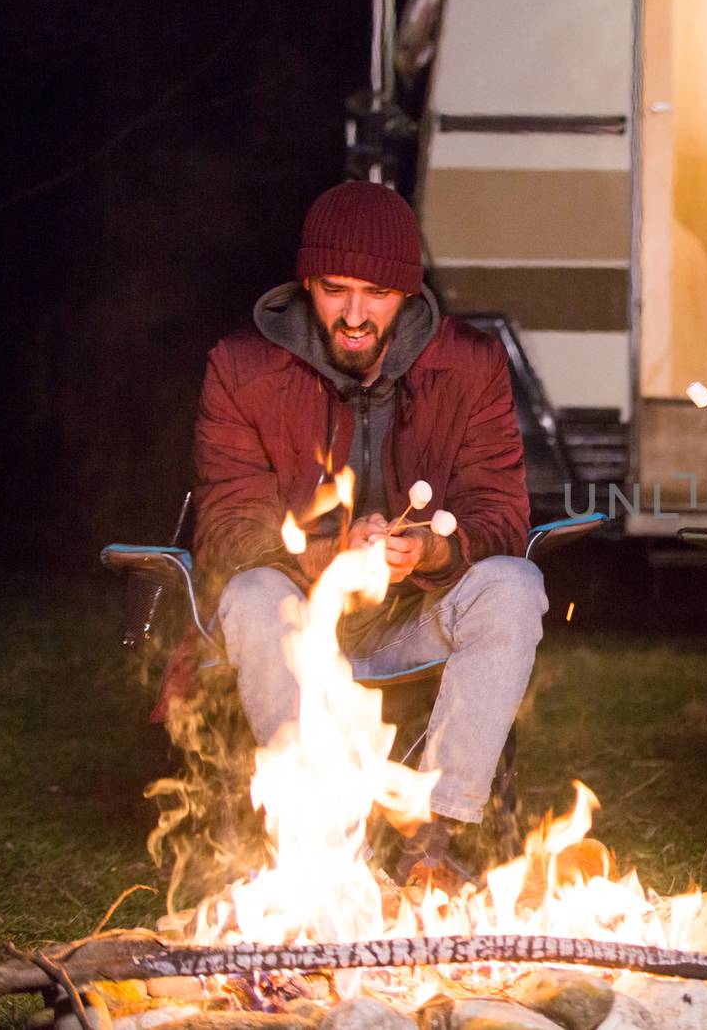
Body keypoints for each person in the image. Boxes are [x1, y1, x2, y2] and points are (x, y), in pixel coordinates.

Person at [193, 180, 547, 882]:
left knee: (514, 584)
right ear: (306, 284)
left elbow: (503, 513)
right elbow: (227, 530)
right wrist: (332, 555)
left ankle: (433, 845)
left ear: (409, 295)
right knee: (254, 595)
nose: (355, 314)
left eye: (377, 294)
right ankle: (329, 857)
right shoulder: (240, 367)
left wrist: (438, 549)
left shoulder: (469, 364)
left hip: (417, 617)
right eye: (335, 289)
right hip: (301, 622)